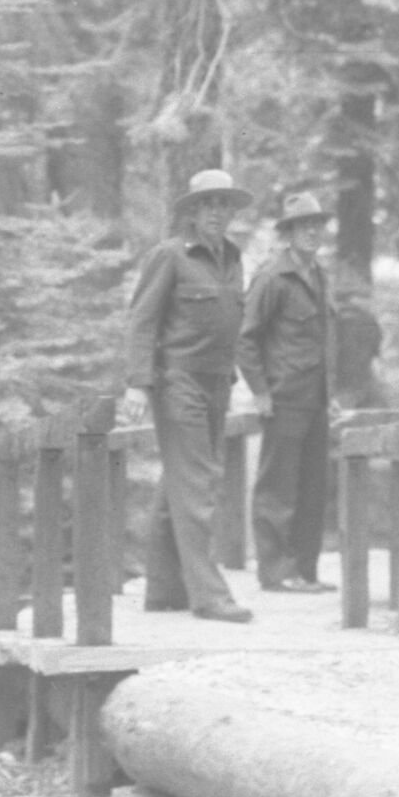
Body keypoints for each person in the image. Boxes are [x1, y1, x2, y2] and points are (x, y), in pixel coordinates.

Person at [114, 169, 256, 622]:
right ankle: (209, 596)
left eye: (224, 204)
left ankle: (163, 589)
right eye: (208, 204)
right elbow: (142, 321)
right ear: (192, 212)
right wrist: (137, 382)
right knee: (198, 485)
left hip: (218, 384)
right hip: (178, 383)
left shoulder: (232, 258)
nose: (217, 213)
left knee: (180, 483)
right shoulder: (170, 256)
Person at [238, 192, 337, 593]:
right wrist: (261, 391)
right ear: (289, 233)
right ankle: (276, 572)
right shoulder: (272, 277)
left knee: (312, 487)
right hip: (283, 397)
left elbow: (324, 338)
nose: (312, 232)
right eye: (303, 226)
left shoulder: (317, 274)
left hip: (316, 399)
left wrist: (332, 393)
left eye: (317, 225)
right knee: (277, 487)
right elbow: (245, 340)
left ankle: (305, 571)